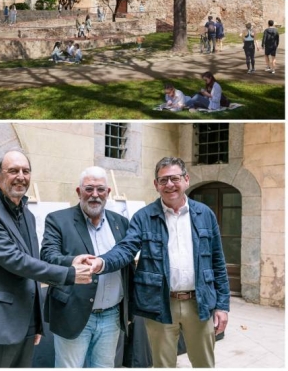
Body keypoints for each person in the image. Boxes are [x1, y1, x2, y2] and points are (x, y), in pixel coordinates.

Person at [89, 157, 230, 368]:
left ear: (186, 180)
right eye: (163, 180)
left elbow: (218, 262)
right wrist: (102, 262)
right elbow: (126, 249)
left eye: (174, 178)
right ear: (156, 185)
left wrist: (222, 306)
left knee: (204, 364)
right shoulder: (144, 217)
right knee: (163, 365)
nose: (169, 185)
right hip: (159, 304)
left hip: (199, 302)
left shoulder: (205, 215)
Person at [0, 150, 93, 368]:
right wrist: (69, 275)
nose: (21, 176)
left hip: (24, 323)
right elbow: (15, 261)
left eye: (26, 171)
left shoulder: (27, 215)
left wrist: (70, 262)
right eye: (13, 171)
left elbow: (33, 261)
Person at [41, 167, 133, 368]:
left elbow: (126, 259)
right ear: (78, 191)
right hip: (73, 312)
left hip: (111, 315)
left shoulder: (122, 223)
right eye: (89, 189)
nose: (95, 195)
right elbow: (48, 256)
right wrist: (72, 262)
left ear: (108, 193)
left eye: (100, 189)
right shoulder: (58, 220)